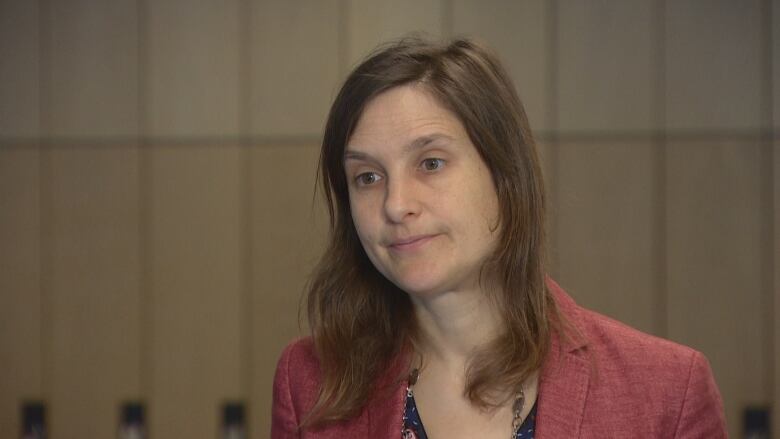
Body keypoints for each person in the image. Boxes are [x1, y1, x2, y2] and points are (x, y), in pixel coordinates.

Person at [271, 37, 727, 438]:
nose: (395, 204)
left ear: (505, 175)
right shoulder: (308, 381)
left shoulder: (667, 390)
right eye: (367, 177)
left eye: (431, 163)